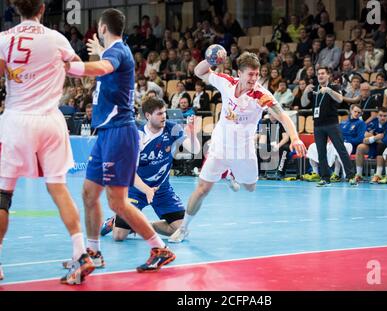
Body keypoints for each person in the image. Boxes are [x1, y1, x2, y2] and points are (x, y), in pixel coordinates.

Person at [65, 8, 175, 273]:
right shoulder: (111, 51)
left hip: (119, 132)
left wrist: (72, 66)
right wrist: (96, 53)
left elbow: (104, 66)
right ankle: (94, 253)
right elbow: (104, 66)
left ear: (103, 28)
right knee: (89, 194)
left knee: (117, 202)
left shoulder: (118, 51)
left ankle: (160, 248)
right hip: (105, 133)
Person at [168, 50, 306, 243]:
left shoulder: (260, 95)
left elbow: (282, 115)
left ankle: (231, 173)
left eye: (257, 74)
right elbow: (200, 72)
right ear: (239, 73)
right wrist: (210, 58)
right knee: (202, 189)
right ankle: (183, 228)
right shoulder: (227, 82)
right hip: (220, 145)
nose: (254, 78)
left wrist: (295, 138)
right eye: (250, 74)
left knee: (250, 187)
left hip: (243, 151)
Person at [0, 0, 93, 284]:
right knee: (59, 188)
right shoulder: (57, 39)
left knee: (3, 195)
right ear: (42, 9)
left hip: (17, 121)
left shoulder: (3, 39)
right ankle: (80, 252)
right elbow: (80, 71)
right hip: (52, 121)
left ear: (17, 10)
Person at [100, 97, 200, 241]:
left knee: (180, 229)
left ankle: (141, 225)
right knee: (119, 236)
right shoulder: (137, 136)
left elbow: (195, 149)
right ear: (148, 116)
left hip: (162, 190)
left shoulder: (173, 129)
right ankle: (114, 221)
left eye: (165, 112)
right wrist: (147, 190)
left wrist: (192, 133)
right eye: (159, 113)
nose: (164, 116)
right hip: (137, 189)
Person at [301, 66, 356, 186]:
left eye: (323, 73)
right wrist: (305, 91)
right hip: (318, 125)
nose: (320, 75)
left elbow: (340, 99)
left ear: (328, 75)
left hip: (332, 124)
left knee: (341, 149)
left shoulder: (334, 87)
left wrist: (329, 91)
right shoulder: (314, 89)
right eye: (318, 74)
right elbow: (303, 103)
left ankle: (351, 176)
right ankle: (325, 178)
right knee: (321, 152)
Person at [303, 104, 366, 182]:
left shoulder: (361, 123)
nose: (356, 114)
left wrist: (345, 140)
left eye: (359, 112)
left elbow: (360, 139)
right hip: (338, 142)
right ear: (351, 111)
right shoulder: (343, 123)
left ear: (361, 114)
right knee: (313, 146)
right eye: (355, 111)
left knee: (338, 147)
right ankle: (316, 172)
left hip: (350, 145)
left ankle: (336, 174)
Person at [352, 107, 387, 184]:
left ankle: (378, 174)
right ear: (377, 115)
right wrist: (375, 137)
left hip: (386, 146)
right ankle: (359, 174)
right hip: (373, 144)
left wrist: (371, 137)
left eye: (385, 116)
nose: (382, 118)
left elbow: (385, 141)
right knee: (360, 147)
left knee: (380, 146)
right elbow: (364, 138)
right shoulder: (373, 122)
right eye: (380, 115)